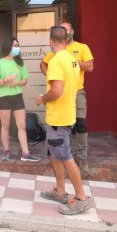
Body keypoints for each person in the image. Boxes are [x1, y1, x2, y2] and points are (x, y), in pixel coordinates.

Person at [36, 26, 90, 215]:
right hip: (63, 115)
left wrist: (42, 98)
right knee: (52, 153)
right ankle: (60, 190)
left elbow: (57, 91)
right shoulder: (72, 60)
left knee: (65, 156)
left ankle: (82, 198)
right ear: (66, 40)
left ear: (51, 41)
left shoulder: (57, 61)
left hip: (60, 118)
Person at [40, 22, 94, 176]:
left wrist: (72, 64)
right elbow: (43, 64)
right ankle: (65, 157)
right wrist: (51, 74)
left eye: (67, 30)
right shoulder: (56, 53)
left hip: (77, 92)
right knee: (63, 127)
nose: (65, 32)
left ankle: (82, 159)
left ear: (72, 32)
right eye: (62, 29)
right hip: (61, 93)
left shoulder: (82, 47)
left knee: (81, 124)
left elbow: (90, 67)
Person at [0, 38, 41, 162]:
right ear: (8, 47)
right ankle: (6, 151)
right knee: (5, 125)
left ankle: (26, 153)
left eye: (18, 45)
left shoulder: (20, 63)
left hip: (17, 97)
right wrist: (6, 80)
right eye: (15, 45)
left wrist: (16, 83)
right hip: (3, 98)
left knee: (22, 125)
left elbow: (25, 81)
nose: (17, 48)